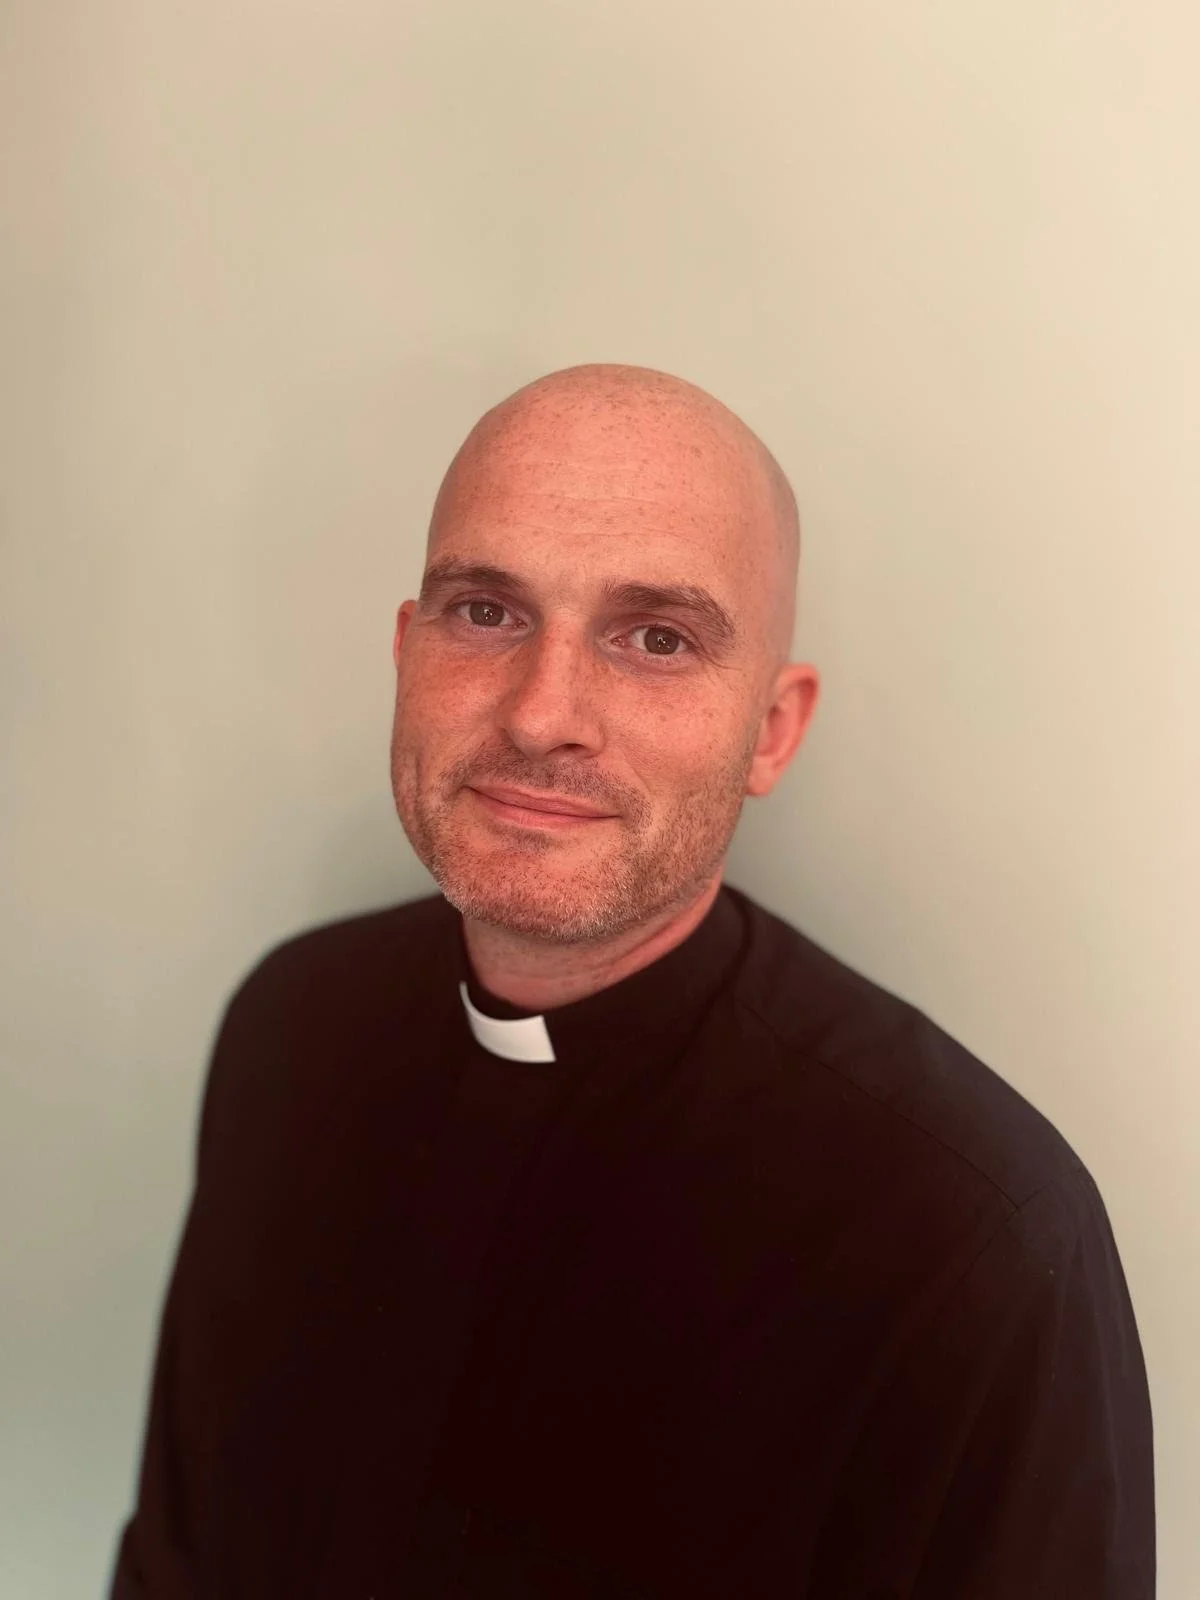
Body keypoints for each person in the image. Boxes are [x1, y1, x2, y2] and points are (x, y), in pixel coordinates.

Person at [109, 363, 1154, 1598]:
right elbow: (177, 1554)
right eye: (487, 612)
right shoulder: (289, 1027)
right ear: (406, 651)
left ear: (772, 727)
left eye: (656, 637)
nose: (544, 712)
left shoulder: (977, 1238)